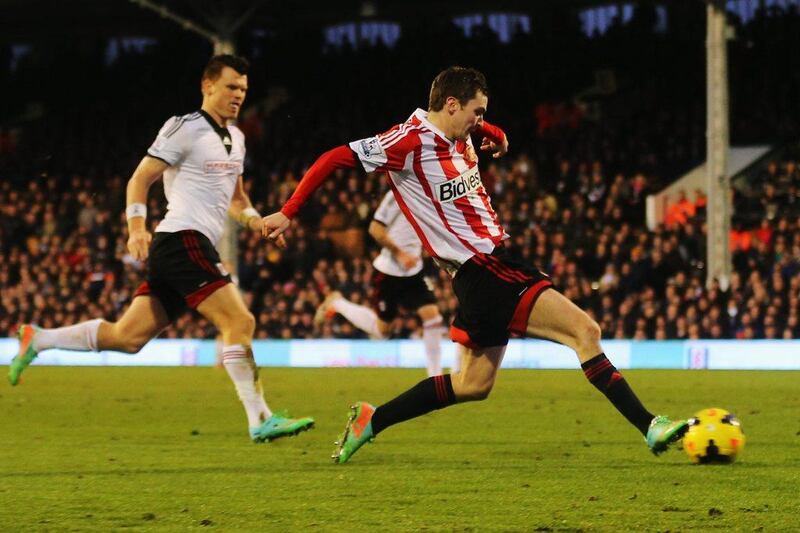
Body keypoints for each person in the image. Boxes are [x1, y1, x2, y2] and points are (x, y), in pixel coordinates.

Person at [261, 66, 688, 463]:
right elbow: (333, 157)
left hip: (477, 276)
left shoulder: (459, 132)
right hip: (486, 268)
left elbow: (485, 129)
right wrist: (288, 211)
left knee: (472, 385)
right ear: (451, 104)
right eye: (476, 112)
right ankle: (649, 424)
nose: (479, 121)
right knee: (586, 332)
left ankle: (373, 418)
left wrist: (497, 135)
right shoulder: (409, 141)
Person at [9, 55, 314, 443]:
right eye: (231, 87)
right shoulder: (183, 127)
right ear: (208, 86)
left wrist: (257, 222)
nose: (238, 95)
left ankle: (39, 339)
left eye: (243, 89)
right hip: (181, 238)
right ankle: (260, 419)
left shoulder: (236, 138)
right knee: (240, 322)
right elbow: (140, 179)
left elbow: (237, 199)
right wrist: (136, 228)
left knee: (128, 338)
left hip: (184, 245)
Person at [315, 191, 452, 376]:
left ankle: (435, 378)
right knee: (382, 331)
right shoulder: (397, 194)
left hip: (414, 270)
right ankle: (337, 303)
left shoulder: (429, 191)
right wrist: (399, 253)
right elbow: (375, 229)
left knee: (433, 316)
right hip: (389, 272)